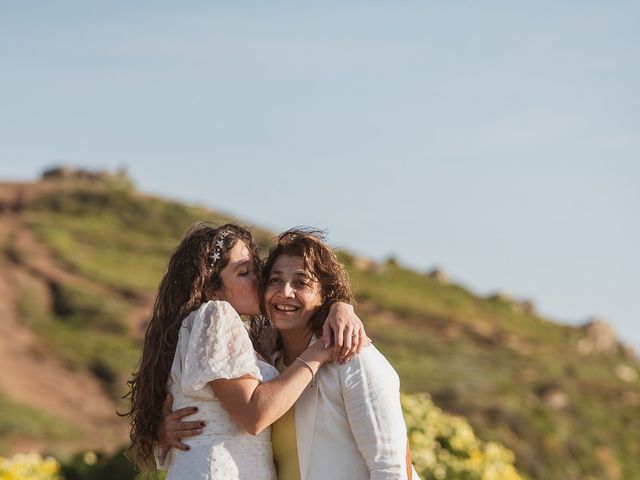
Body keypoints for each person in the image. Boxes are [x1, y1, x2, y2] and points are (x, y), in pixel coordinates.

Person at [160, 228, 419, 480]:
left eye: (300, 282)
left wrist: (342, 305)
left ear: (326, 293)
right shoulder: (264, 356)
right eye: (275, 280)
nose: (285, 292)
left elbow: (391, 468)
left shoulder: (352, 356)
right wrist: (160, 432)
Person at [123, 223, 367, 479]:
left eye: (256, 269)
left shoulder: (240, 332)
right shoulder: (216, 315)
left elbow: (300, 321)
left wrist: (341, 305)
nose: (258, 279)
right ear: (211, 289)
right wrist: (320, 352)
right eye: (244, 272)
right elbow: (254, 415)